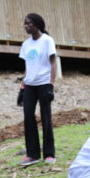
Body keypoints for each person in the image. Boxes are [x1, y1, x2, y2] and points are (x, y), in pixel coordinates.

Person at [18, 13, 57, 166]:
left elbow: (53, 63)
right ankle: (32, 154)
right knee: (28, 117)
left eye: (29, 23)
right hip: (30, 86)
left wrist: (51, 84)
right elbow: (28, 67)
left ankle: (49, 153)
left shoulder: (47, 41)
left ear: (37, 25)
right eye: (25, 23)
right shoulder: (26, 44)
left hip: (44, 84)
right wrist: (22, 86)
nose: (26, 26)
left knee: (46, 117)